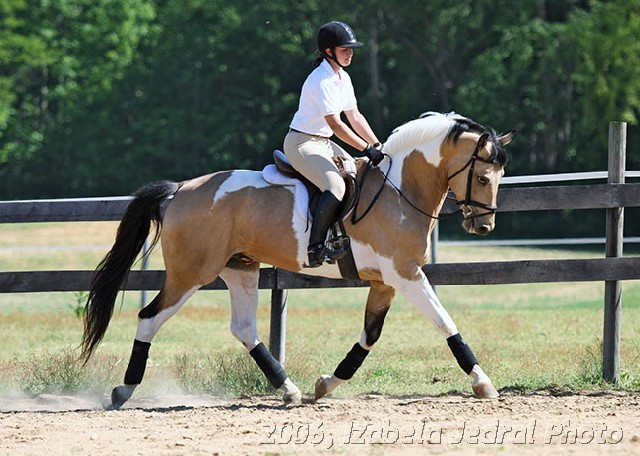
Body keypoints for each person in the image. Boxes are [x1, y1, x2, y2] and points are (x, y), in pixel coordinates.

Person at [284, 21, 384, 268]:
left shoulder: (343, 77)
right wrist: (366, 148)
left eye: (351, 49)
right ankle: (315, 247)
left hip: (323, 143)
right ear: (328, 51)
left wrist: (378, 145)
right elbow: (337, 125)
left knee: (358, 173)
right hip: (301, 142)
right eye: (344, 49)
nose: (350, 53)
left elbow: (355, 117)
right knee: (336, 186)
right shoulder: (321, 80)